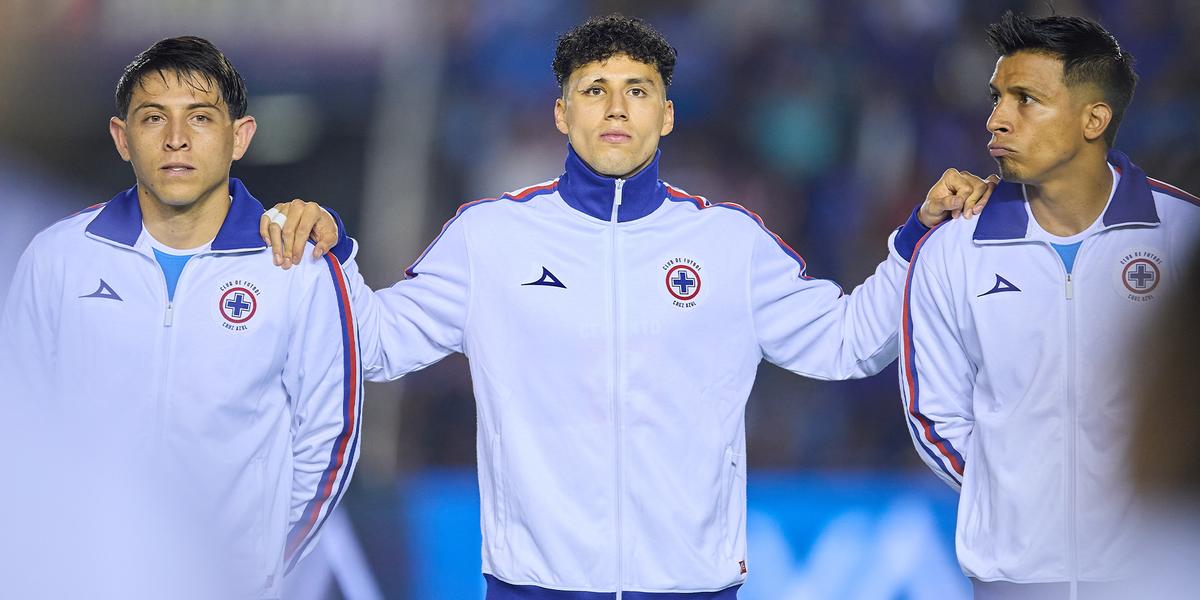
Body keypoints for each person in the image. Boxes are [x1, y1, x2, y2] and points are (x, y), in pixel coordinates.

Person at [268, 14, 991, 598]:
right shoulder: (489, 238)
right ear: (561, 112)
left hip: (693, 590)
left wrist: (915, 242)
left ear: (666, 114)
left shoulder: (729, 243)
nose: (616, 107)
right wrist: (330, 256)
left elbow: (848, 343)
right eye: (595, 89)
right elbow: (378, 344)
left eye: (637, 90)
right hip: (533, 589)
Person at [0, 36, 362, 599]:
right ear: (122, 137)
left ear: (240, 136)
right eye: (153, 118)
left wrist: (265, 570)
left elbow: (329, 441)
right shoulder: (58, 257)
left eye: (200, 117)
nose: (176, 139)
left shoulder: (296, 267)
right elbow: (17, 427)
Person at [899, 11, 1200, 600]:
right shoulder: (951, 250)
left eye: (1026, 99)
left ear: (1094, 119)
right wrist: (1016, 500)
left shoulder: (1184, 234)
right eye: (996, 98)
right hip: (1014, 579)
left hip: (1155, 573)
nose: (996, 119)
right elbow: (933, 413)